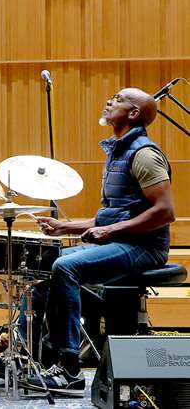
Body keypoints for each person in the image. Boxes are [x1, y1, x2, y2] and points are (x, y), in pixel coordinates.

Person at [24, 87, 175, 390]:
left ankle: (69, 368)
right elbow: (112, 217)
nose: (109, 101)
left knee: (65, 268)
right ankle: (28, 356)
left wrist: (109, 231)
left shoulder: (144, 154)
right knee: (42, 263)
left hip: (144, 248)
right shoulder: (118, 151)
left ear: (133, 114)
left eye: (118, 99)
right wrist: (63, 227)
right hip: (122, 241)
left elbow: (165, 211)